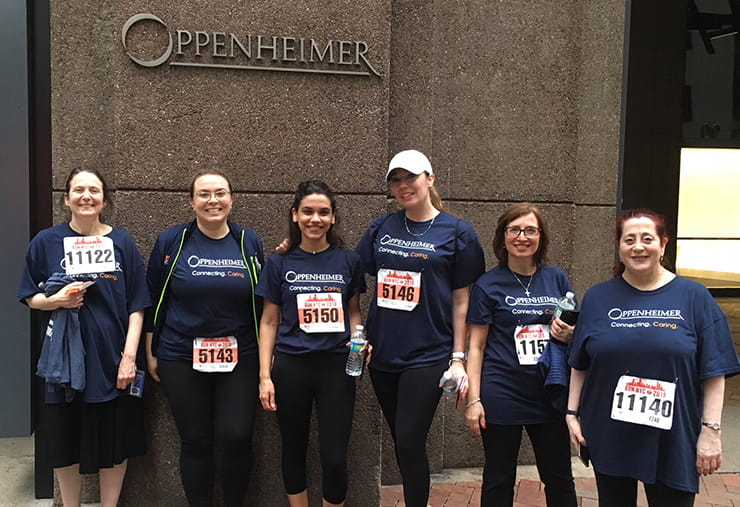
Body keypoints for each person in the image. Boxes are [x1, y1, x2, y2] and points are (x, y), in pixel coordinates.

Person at [567, 208, 740, 507]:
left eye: (647, 239)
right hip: (609, 429)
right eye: (629, 239)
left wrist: (711, 431)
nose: (638, 246)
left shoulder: (694, 296)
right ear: (619, 247)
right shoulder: (597, 297)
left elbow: (714, 370)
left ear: (663, 244)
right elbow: (580, 363)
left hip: (672, 433)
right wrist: (571, 414)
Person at [355, 149, 485, 507]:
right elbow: (351, 271)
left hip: (429, 353)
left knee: (410, 440)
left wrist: (458, 357)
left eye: (410, 177)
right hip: (383, 353)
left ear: (430, 178)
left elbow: (462, 300)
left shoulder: (457, 232)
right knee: (402, 441)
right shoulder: (382, 227)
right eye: (395, 180)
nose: (403, 186)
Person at [18, 168, 150, 507]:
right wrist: (57, 300)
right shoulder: (46, 242)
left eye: (94, 190)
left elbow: (137, 305)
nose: (86, 196)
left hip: (112, 360)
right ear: (66, 199)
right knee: (64, 444)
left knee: (114, 443)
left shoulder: (122, 243)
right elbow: (30, 296)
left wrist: (129, 358)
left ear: (104, 200)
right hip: (63, 363)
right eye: (79, 190)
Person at [145, 171, 263, 507]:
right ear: (192, 201)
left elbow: (264, 300)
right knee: (195, 439)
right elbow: (153, 296)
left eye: (220, 193)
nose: (213, 200)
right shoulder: (172, 241)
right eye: (204, 194)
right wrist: (150, 350)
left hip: (241, 356)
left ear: (232, 199)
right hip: (180, 355)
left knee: (237, 435)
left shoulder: (248, 242)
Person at [257, 180, 366, 507]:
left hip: (336, 368)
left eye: (323, 212)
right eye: (307, 211)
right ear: (295, 214)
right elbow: (269, 321)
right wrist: (265, 376)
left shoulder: (349, 261)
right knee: (293, 448)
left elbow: (354, 312)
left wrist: (359, 339)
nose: (315, 219)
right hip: (291, 366)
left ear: (333, 217)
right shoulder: (278, 263)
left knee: (335, 457)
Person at [464, 203, 578, 507]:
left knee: (559, 477)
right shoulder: (488, 284)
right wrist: (474, 400)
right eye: (514, 230)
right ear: (503, 237)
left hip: (549, 391)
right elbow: (476, 347)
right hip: (503, 391)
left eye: (530, 230)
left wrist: (569, 333)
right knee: (499, 478)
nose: (522, 237)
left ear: (541, 237)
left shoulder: (556, 278)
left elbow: (573, 329)